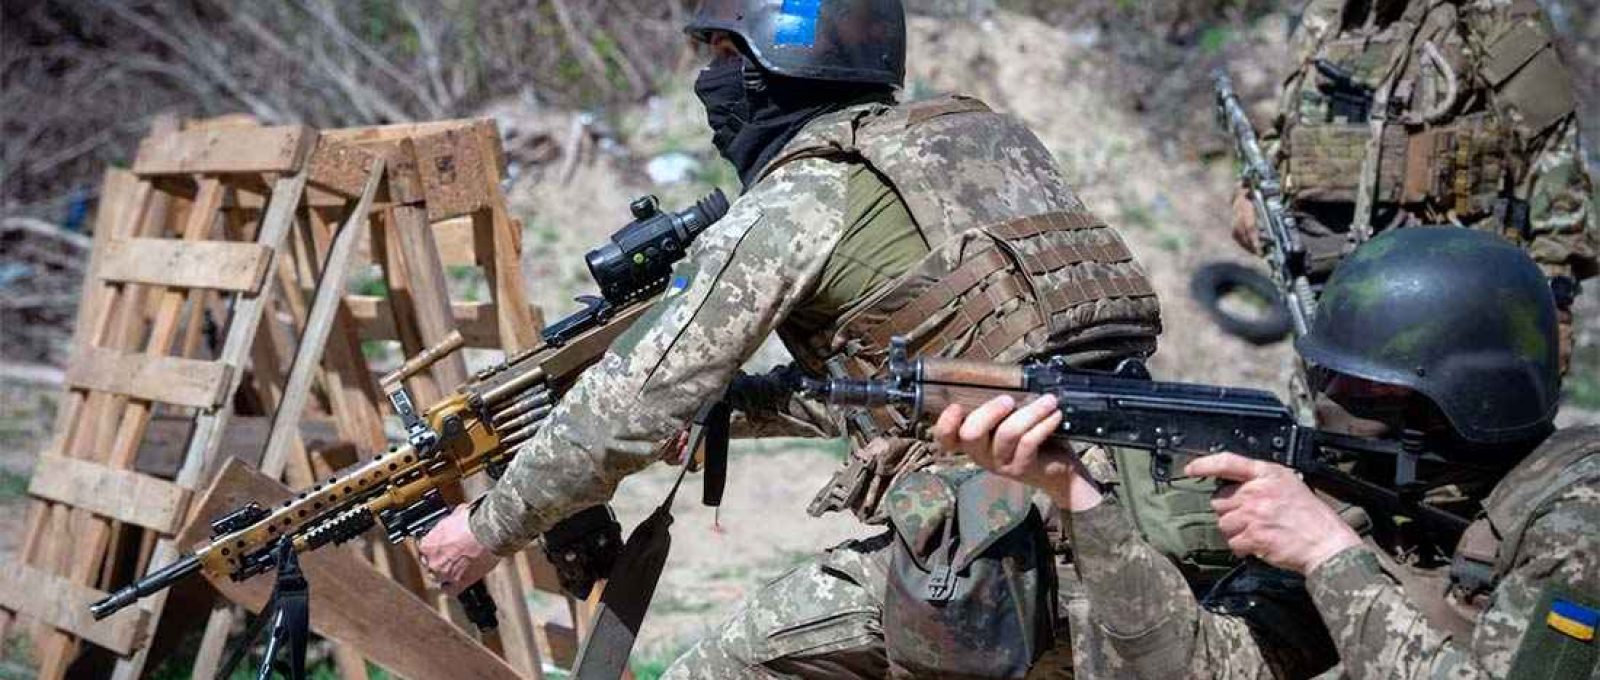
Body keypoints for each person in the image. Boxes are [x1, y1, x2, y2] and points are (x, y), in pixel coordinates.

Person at [419, 1, 1210, 676]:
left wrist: (485, 532)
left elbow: (625, 409)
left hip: (1006, 548)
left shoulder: (800, 198)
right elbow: (928, 383)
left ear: (774, 65)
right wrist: (735, 408)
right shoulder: (981, 143)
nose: (709, 80)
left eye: (723, 53)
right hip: (1147, 504)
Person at [941, 226, 1600, 678]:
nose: (1330, 397)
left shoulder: (1577, 518)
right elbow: (1197, 667)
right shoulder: (1373, 495)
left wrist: (1329, 555)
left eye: (1362, 384)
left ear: (1464, 396)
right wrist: (1074, 491)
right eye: (1326, 374)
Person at [1231, 0, 1596, 368]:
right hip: (1330, 306)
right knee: (1324, 418)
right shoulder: (1330, 13)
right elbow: (1289, 128)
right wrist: (1250, 190)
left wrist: (1553, 307)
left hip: (1451, 308)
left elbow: (1553, 163)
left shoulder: (1493, 15)